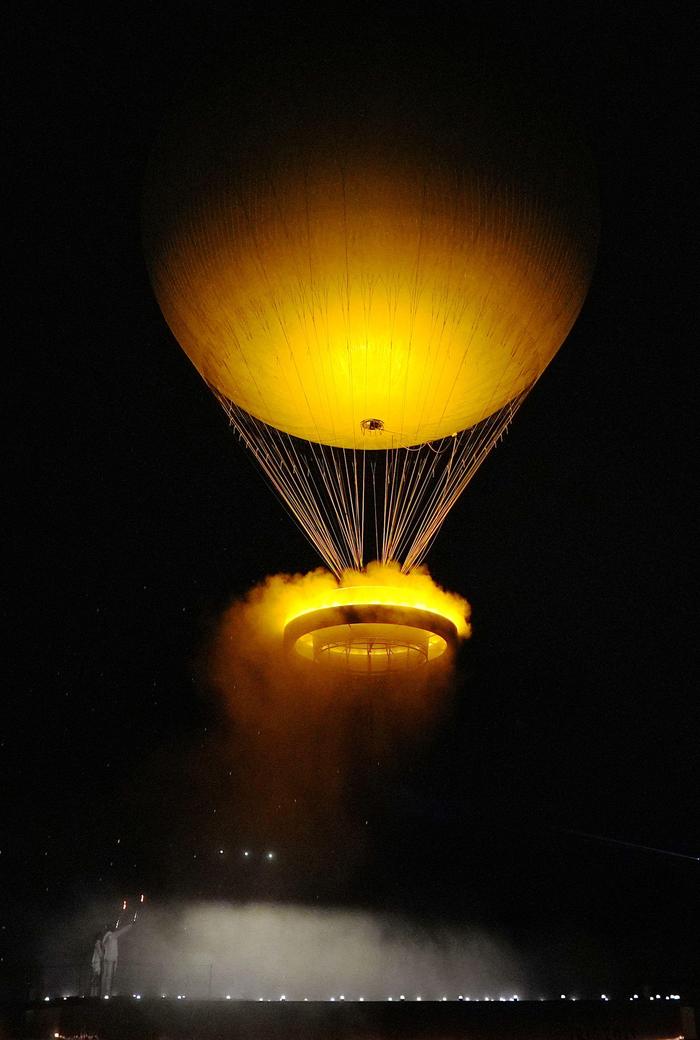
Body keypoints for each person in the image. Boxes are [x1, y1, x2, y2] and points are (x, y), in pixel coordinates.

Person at [100, 921, 133, 997]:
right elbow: (122, 931)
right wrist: (130, 925)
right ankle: (107, 994)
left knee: (105, 976)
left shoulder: (105, 937)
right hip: (111, 959)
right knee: (109, 977)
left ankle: (103, 993)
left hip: (106, 958)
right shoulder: (111, 935)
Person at [89, 932, 103, 996]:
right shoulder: (98, 944)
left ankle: (93, 994)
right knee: (95, 979)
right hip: (96, 963)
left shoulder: (97, 944)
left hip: (95, 963)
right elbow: (100, 954)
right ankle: (93, 994)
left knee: (95, 979)